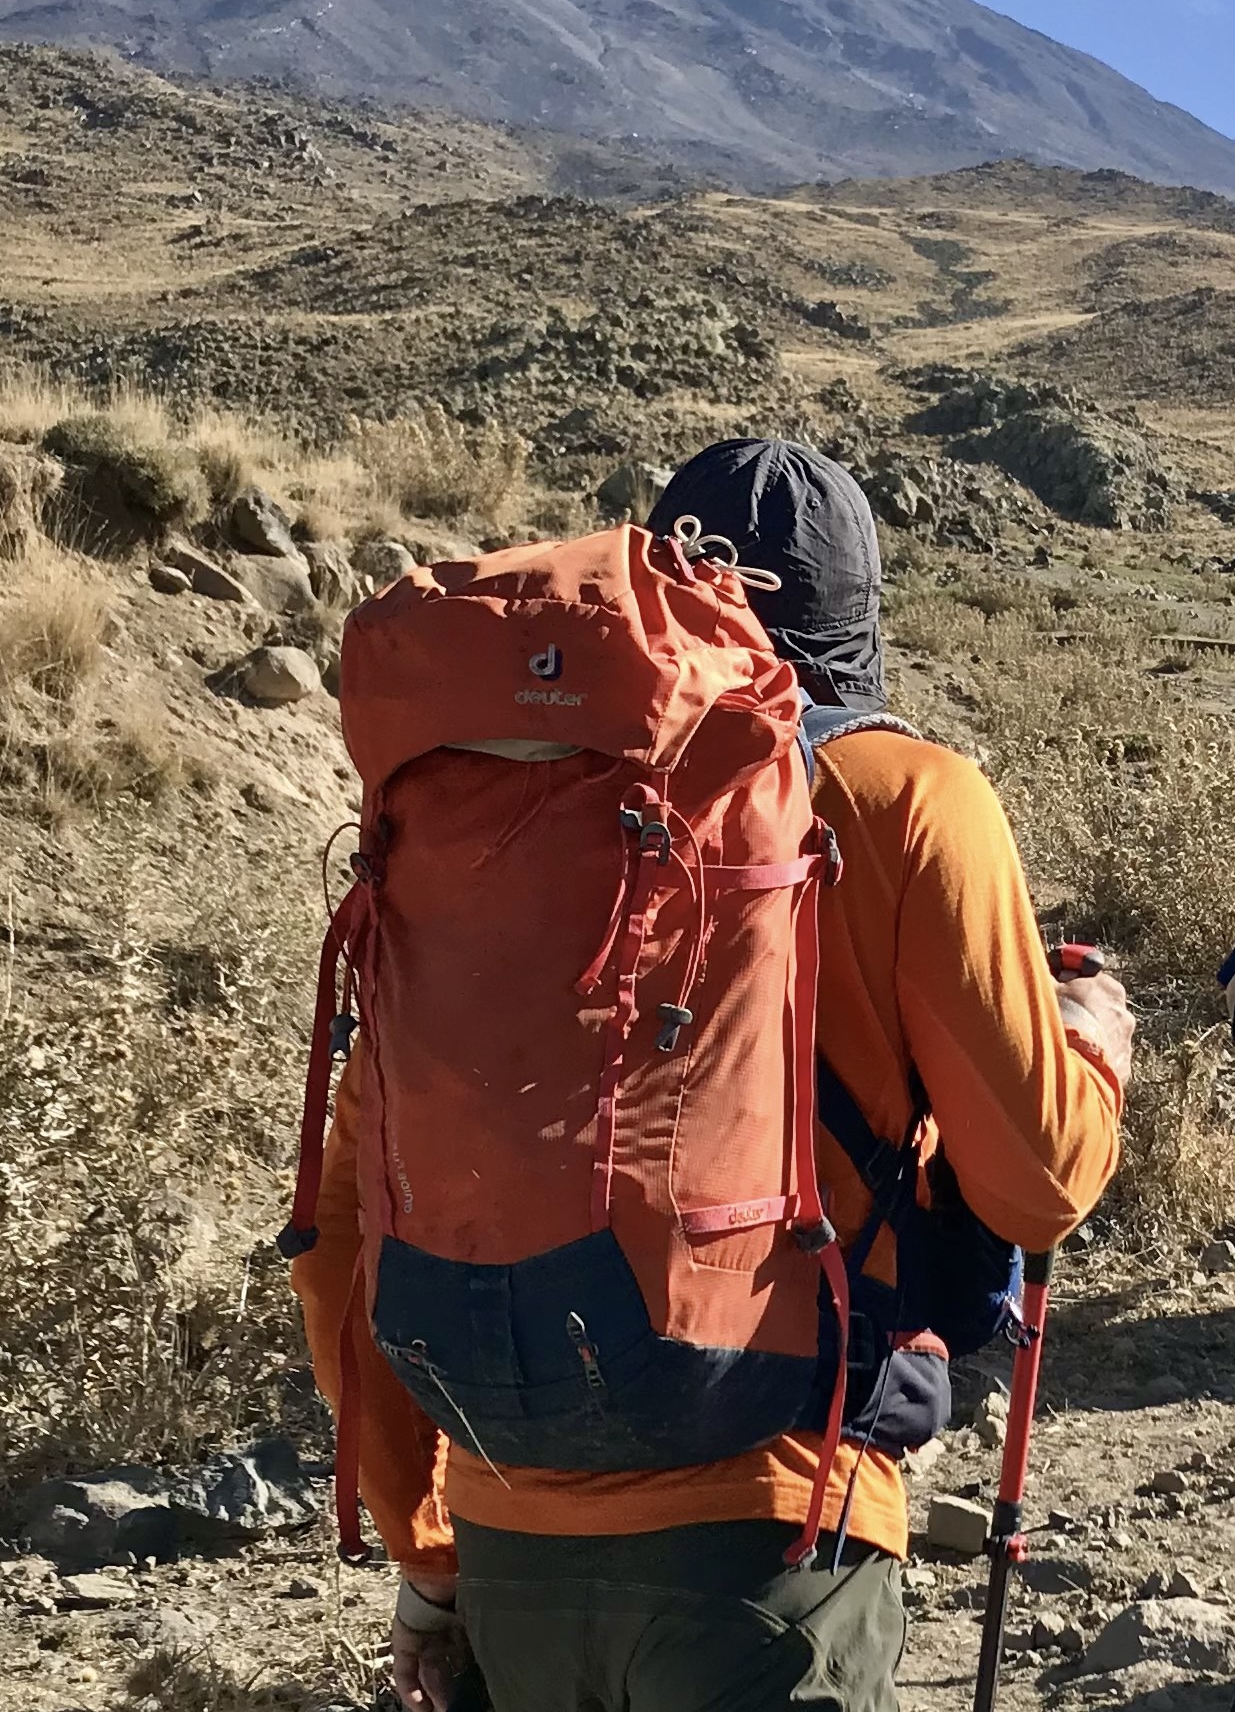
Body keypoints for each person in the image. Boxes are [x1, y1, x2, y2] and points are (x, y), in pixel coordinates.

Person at [292, 438, 1133, 1712]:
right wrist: (1088, 1038)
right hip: (777, 1532)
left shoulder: (488, 820)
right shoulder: (902, 796)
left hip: (511, 1540)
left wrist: (429, 1553)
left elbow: (347, 1220)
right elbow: (1039, 1188)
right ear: (854, 622)